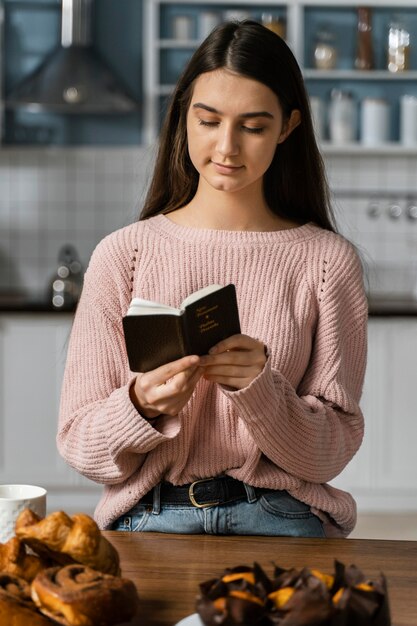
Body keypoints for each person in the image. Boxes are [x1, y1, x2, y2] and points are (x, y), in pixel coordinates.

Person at [57, 20, 368, 538]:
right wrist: (141, 406)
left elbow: (329, 453)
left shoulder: (326, 261)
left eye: (253, 126)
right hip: (149, 519)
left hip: (283, 516)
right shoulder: (123, 255)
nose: (226, 147)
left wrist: (260, 390)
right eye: (208, 121)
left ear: (287, 127)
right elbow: (80, 446)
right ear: (183, 118)